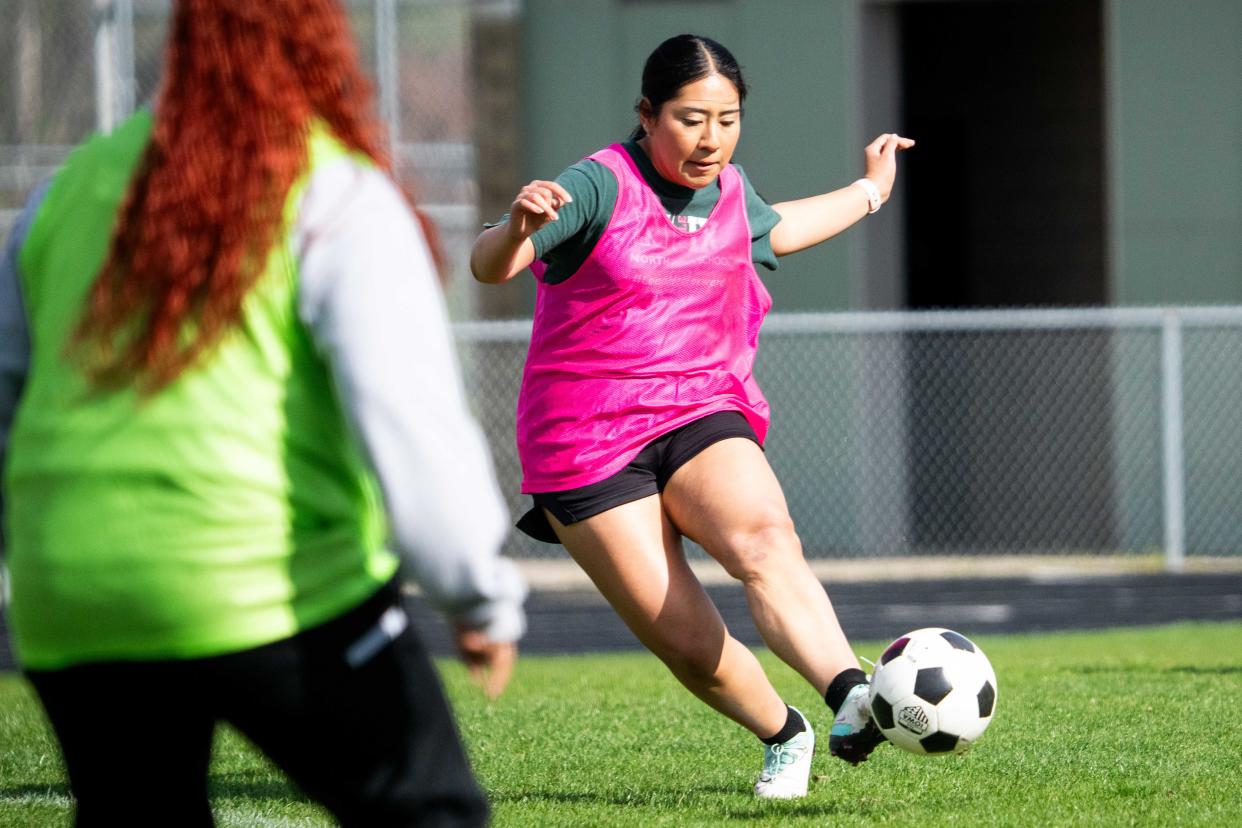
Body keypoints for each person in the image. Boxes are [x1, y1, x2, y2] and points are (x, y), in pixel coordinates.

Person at [0, 1, 526, 825]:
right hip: (269, 583)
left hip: (69, 592)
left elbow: (10, 397)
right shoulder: (333, 191)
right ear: (318, 38)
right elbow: (406, 418)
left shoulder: (66, 191)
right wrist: (479, 595)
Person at [471, 33, 914, 799]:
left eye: (728, 118)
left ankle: (853, 696)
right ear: (647, 115)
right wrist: (516, 224)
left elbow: (777, 231)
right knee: (682, 638)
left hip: (699, 405)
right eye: (690, 119)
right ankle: (785, 731)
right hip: (585, 441)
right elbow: (493, 265)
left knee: (766, 540)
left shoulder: (733, 191)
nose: (711, 139)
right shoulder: (600, 184)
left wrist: (871, 188)